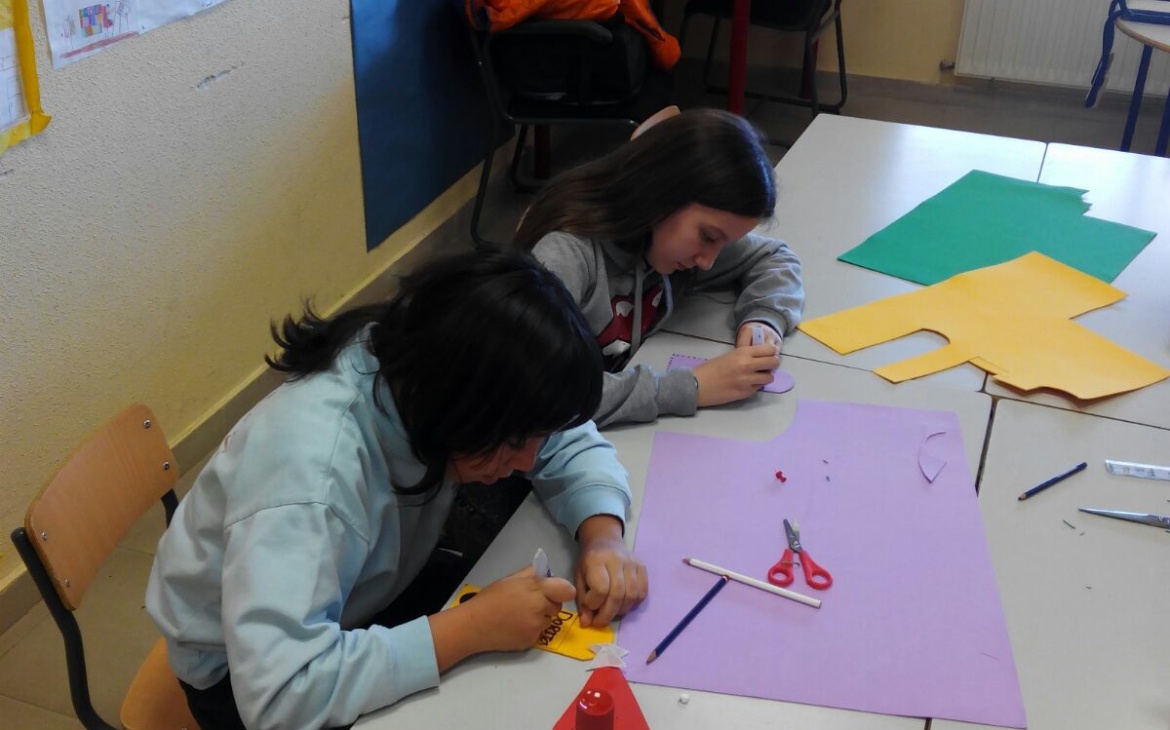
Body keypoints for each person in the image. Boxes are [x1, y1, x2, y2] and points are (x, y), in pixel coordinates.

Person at [145, 250, 647, 730]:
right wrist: (469, 630)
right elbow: (281, 696)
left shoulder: (426, 369)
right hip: (245, 679)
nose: (530, 459)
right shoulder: (310, 478)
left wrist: (601, 535)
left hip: (357, 595)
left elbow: (559, 434)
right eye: (515, 441)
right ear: (459, 408)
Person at [515, 107, 804, 428]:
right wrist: (692, 387)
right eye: (708, 237)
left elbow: (776, 257)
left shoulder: (664, 235)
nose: (708, 261)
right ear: (661, 191)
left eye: (722, 244)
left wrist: (764, 318)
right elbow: (543, 396)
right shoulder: (563, 257)